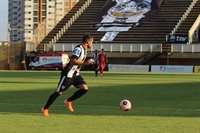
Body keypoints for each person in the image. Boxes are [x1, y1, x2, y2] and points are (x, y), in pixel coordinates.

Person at [41, 34, 94, 116]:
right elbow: (73, 61)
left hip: (75, 74)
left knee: (84, 88)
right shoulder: (78, 49)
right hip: (68, 74)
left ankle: (68, 101)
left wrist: (89, 62)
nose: (92, 44)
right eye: (92, 42)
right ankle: (45, 108)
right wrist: (85, 63)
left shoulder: (85, 50)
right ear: (88, 41)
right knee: (58, 92)